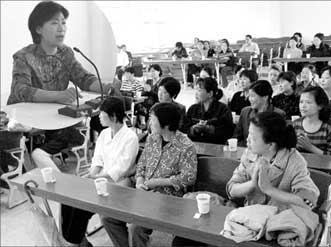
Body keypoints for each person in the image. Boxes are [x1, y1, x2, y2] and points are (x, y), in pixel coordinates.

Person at [7, 1, 118, 171]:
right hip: (23, 117)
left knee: (78, 128)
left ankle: (44, 160)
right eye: (54, 22)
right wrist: (58, 96)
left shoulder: (66, 53)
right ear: (38, 29)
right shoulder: (23, 56)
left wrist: (107, 87)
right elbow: (20, 90)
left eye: (63, 22)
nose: (61, 28)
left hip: (54, 116)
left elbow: (83, 78)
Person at [101, 102, 197, 247]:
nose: (149, 122)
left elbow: (189, 177)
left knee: (136, 227)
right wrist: (139, 180)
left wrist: (157, 182)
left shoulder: (186, 145)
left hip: (167, 197)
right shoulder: (152, 138)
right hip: (143, 191)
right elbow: (142, 164)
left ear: (166, 124)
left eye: (152, 119)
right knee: (108, 217)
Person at [61, 97, 139, 246]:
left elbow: (121, 169)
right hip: (101, 179)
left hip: (120, 182)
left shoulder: (130, 137)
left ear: (113, 116)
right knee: (68, 200)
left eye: (102, 113)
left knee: (80, 206)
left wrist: (95, 177)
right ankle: (76, 241)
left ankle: (75, 243)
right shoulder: (104, 134)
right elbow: (98, 159)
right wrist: (93, 174)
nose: (99, 117)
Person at [227, 111, 319, 210]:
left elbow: (308, 202)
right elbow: (232, 189)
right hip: (252, 216)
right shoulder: (250, 154)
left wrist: (269, 189)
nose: (247, 140)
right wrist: (253, 184)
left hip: (280, 220)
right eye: (249, 134)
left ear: (270, 145)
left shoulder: (294, 161)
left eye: (253, 138)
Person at [293, 86, 331, 156]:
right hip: (300, 165)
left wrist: (310, 147)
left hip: (324, 166)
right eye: (301, 102)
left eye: (308, 102)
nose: (303, 106)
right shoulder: (296, 124)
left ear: (320, 106)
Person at [234, 80, 285, 147]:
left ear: (265, 97)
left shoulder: (278, 114)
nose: (250, 99)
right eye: (249, 96)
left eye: (252, 96)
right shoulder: (245, 112)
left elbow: (280, 142)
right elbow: (237, 137)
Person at [185, 77, 234, 144]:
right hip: (196, 148)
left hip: (216, 149)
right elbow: (185, 129)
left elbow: (227, 132)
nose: (196, 93)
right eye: (196, 90)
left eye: (199, 90)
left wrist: (208, 128)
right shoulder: (192, 109)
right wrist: (194, 129)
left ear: (210, 93)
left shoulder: (223, 109)